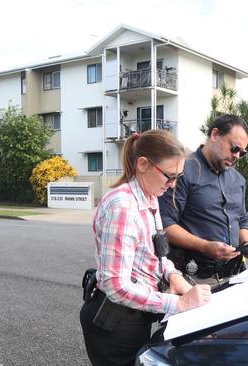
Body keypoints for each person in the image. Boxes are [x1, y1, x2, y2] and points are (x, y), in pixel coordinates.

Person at [80, 130, 212, 366]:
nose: (172, 186)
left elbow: (156, 252)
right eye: (169, 176)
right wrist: (179, 303)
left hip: (133, 314)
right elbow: (116, 286)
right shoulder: (123, 207)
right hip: (114, 322)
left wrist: (173, 275)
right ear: (143, 164)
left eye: (177, 177)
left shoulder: (148, 197)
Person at [159, 114, 248, 290]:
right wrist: (206, 247)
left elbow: (242, 218)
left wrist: (246, 244)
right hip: (194, 279)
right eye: (234, 148)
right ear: (215, 135)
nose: (237, 156)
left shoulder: (238, 180)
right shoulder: (182, 170)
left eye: (242, 153)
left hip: (235, 275)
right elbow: (165, 225)